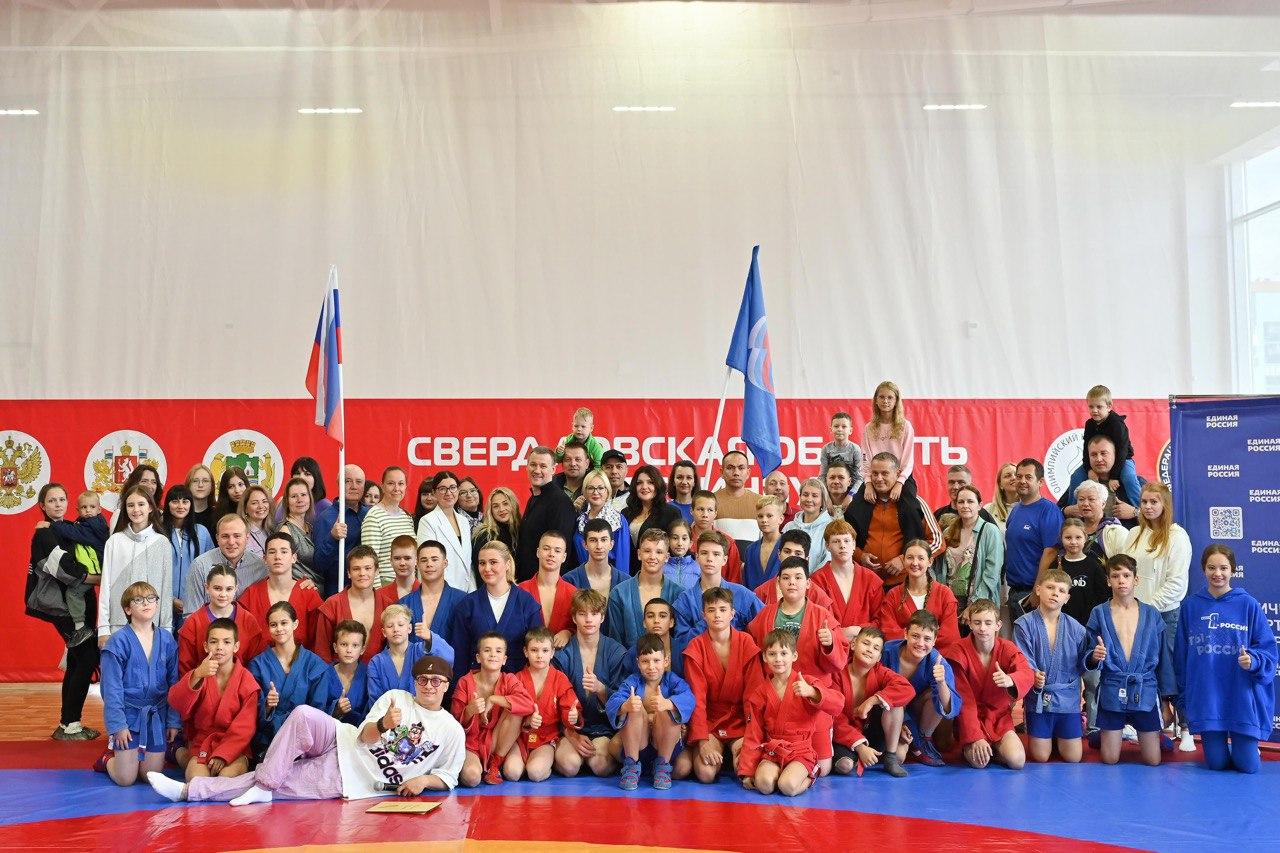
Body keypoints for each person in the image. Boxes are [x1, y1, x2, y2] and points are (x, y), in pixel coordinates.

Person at [149, 655, 465, 804]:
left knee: (271, 780)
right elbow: (364, 736)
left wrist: (424, 779)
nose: (428, 685)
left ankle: (190, 792)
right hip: (342, 738)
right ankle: (266, 783)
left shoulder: (451, 731)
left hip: (351, 777)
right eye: (422, 679)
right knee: (302, 714)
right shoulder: (397, 697)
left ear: (446, 685)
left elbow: (449, 776)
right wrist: (385, 724)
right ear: (415, 681)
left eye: (436, 681)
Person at [1101, 481, 1192, 742]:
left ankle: (1185, 727)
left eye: (1154, 502)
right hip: (1136, 615)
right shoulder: (1134, 534)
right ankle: (1143, 721)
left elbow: (1176, 584)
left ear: (1165, 505)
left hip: (1164, 615)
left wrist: (1149, 611)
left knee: (1172, 670)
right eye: (1144, 502)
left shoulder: (1177, 536)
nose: (1148, 507)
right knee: (1140, 669)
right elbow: (1126, 574)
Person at [1176, 545, 1277, 773]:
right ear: (1203, 569)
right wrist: (1183, 696)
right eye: (1211, 568)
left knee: (1248, 766)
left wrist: (1253, 661)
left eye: (1223, 568)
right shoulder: (1191, 606)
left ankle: (1247, 748)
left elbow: (1268, 649)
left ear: (1233, 570)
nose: (1217, 573)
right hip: (1208, 697)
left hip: (1241, 695)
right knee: (1217, 764)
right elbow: (1181, 656)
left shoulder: (1248, 604)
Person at [30, 484, 100, 741]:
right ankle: (70, 724)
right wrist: (101, 578)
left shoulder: (70, 527)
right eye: (51, 500)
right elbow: (65, 570)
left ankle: (67, 723)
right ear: (42, 505)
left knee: (77, 660)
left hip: (84, 603)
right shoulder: (44, 533)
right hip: (63, 608)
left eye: (61, 499)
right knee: (86, 658)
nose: (58, 504)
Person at [739, 630, 844, 797]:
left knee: (787, 786)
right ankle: (780, 773)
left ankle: (811, 775)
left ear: (794, 656)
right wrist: (747, 771)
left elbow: (838, 704)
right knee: (764, 785)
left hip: (801, 752)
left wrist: (812, 692)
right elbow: (754, 733)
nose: (778, 659)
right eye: (772, 654)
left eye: (783, 653)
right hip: (774, 752)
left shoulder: (806, 683)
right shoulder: (760, 692)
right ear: (765, 657)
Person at [1085, 554, 1165, 766]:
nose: (1121, 580)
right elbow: (1088, 653)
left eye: (1126, 575)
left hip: (1144, 687)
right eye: (1115, 576)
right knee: (1109, 759)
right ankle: (1102, 736)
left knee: (1153, 760)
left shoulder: (1152, 614)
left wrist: (1166, 698)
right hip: (1113, 685)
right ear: (1108, 580)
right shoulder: (1098, 613)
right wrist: (1094, 657)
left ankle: (1154, 737)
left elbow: (1163, 659)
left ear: (1136, 580)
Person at [675, 587, 762, 783]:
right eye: (711, 610)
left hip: (741, 721)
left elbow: (754, 695)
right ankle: (703, 750)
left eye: (723, 609)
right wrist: (702, 740)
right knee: (705, 774)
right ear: (703, 615)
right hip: (710, 722)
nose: (717, 615)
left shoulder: (746, 643)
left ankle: (734, 755)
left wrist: (753, 735)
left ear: (732, 613)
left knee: (747, 767)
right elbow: (697, 699)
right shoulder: (695, 647)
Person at [97, 581, 179, 785]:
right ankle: (107, 760)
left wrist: (173, 721)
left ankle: (137, 759)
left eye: (151, 598)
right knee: (125, 779)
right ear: (127, 609)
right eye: (138, 600)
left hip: (157, 714)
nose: (146, 603)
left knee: (150, 777)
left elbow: (174, 684)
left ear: (157, 604)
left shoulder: (167, 640)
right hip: (128, 714)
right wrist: (118, 725)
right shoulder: (117, 642)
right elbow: (111, 689)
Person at [1014, 570, 1091, 764]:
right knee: (1040, 757)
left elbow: (1084, 662)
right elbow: (1022, 658)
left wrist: (1094, 658)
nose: (1055, 593)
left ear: (1067, 598)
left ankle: (1066, 731)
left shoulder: (1077, 628)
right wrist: (1033, 674)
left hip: (1067, 699)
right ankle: (1051, 736)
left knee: (1073, 757)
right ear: (1038, 589)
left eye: (1061, 590)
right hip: (1039, 698)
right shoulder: (1023, 624)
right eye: (1050, 587)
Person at [168, 618, 259, 781]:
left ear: (236, 646)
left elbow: (245, 727)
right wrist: (197, 675)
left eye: (226, 642)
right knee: (197, 780)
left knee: (225, 779)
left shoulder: (247, 680)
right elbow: (175, 702)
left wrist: (224, 754)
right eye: (214, 641)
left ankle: (181, 757)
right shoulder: (200, 674)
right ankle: (179, 753)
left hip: (235, 749)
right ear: (205, 646)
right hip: (203, 743)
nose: (219, 647)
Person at [949, 599, 1035, 770]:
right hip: (971, 718)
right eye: (977, 622)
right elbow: (964, 699)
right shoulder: (958, 650)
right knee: (979, 763)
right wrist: (975, 736)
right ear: (970, 624)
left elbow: (1027, 673)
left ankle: (994, 748)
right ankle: (976, 746)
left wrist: (1011, 679)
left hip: (999, 717)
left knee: (1017, 761)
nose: (982, 628)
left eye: (988, 623)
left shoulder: (1007, 648)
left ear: (998, 625)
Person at [552, 589, 630, 778]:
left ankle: (589, 758)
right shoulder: (562, 654)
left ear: (602, 617)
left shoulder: (616, 651)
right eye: (582, 614)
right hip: (569, 728)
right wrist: (570, 734)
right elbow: (552, 702)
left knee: (601, 766)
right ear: (574, 618)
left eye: (594, 614)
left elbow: (623, 702)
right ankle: (576, 756)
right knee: (569, 766)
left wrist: (600, 688)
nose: (588, 619)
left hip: (603, 728)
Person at [607, 633, 696, 790]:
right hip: (639, 745)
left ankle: (662, 767)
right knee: (634, 705)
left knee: (667, 708)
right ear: (638, 663)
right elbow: (613, 701)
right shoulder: (632, 682)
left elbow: (689, 698)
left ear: (666, 661)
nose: (651, 666)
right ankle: (632, 766)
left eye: (656, 660)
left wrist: (668, 703)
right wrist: (626, 706)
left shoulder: (673, 681)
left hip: (663, 745)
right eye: (645, 661)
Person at [248, 601, 332, 757]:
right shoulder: (257, 664)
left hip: (305, 743)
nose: (279, 628)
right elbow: (250, 711)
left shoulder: (314, 664)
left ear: (295, 624)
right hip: (268, 743)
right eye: (273, 625)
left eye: (284, 623)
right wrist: (267, 705)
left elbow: (318, 711)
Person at [846, 453, 942, 589]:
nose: (879, 478)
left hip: (905, 583)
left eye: (884, 473)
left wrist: (905, 559)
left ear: (898, 474)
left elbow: (937, 542)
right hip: (867, 583)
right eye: (875, 473)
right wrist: (859, 556)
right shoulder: (858, 505)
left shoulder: (915, 504)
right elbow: (843, 540)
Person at [452, 633, 535, 785]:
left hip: (500, 740)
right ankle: (481, 765)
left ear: (504, 659)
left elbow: (528, 704)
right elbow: (454, 724)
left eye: (498, 651)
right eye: (487, 650)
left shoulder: (509, 679)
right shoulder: (464, 682)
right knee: (471, 778)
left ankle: (495, 763)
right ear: (478, 658)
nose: (493, 655)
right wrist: (469, 710)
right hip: (471, 743)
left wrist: (494, 699)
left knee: (514, 773)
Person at [880, 611, 961, 768]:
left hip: (920, 714)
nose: (920, 643)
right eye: (915, 636)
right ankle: (907, 741)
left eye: (927, 639)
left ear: (935, 640)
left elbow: (949, 708)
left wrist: (941, 683)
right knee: (899, 756)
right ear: (905, 633)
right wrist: (900, 723)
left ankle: (923, 740)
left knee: (936, 693)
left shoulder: (938, 662)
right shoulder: (886, 652)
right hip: (888, 711)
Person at [831, 628, 914, 778]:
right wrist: (861, 747)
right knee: (844, 766)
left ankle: (890, 757)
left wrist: (872, 700)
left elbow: (907, 689)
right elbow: (834, 717)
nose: (870, 650)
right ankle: (861, 755)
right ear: (853, 644)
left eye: (876, 648)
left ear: (879, 657)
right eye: (866, 643)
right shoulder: (837, 673)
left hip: (872, 731)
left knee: (900, 755)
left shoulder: (880, 672)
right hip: (845, 734)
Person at [450, 541, 544, 674]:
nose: (487, 568)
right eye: (482, 563)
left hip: (517, 682)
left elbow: (538, 649)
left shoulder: (527, 603)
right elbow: (460, 654)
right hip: (477, 683)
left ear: (507, 564)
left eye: (493, 562)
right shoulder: (467, 605)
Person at [98, 486, 173, 645]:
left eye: (141, 504)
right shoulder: (114, 541)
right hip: (118, 625)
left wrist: (166, 630)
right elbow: (105, 587)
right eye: (130, 505)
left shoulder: (162, 543)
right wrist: (103, 629)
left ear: (150, 507)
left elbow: (166, 590)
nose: (136, 509)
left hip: (152, 628)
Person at [510, 627, 580, 782]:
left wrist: (572, 717)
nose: (540, 655)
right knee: (511, 773)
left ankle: (550, 759)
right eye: (534, 650)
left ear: (552, 652)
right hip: (520, 737)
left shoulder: (560, 678)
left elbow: (570, 707)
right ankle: (533, 761)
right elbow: (508, 714)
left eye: (545, 650)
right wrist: (527, 721)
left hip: (547, 738)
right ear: (526, 652)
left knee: (535, 773)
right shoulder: (516, 679)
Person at [238, 532, 324, 650]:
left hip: (301, 660)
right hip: (259, 661)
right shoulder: (250, 595)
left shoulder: (308, 593)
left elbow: (320, 641)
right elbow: (241, 641)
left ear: (294, 558)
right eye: (272, 552)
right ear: (265, 558)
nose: (277, 556)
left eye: (284, 551)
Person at [46, 490, 110, 648]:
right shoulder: (86, 523)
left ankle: (80, 627)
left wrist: (51, 525)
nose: (88, 510)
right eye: (84, 507)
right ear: (78, 510)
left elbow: (73, 533)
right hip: (94, 569)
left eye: (92, 507)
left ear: (99, 509)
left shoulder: (94, 525)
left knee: (73, 593)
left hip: (97, 570)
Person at [1064, 385, 1143, 511]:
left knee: (1129, 479)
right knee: (1076, 477)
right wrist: (1089, 469)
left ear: (1109, 406)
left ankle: (1140, 510)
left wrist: (1114, 476)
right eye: (1091, 407)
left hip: (1123, 460)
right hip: (1101, 461)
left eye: (1099, 407)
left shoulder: (1117, 424)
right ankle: (1073, 511)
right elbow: (1086, 450)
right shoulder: (1089, 424)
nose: (1094, 410)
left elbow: (1122, 451)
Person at [674, 530, 762, 644]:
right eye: (704, 553)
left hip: (737, 654)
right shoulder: (685, 600)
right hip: (699, 655)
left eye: (716, 554)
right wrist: (707, 621)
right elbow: (680, 644)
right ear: (697, 557)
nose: (709, 558)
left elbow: (766, 623)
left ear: (724, 560)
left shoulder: (743, 595)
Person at [1005, 458, 1065, 622]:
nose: (1022, 481)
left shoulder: (1049, 510)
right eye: (1019, 476)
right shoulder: (1016, 510)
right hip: (1015, 591)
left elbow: (1051, 552)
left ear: (1040, 482)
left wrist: (1037, 591)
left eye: (1028, 477)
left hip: (1033, 593)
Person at [606, 530, 683, 653]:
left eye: (659, 552)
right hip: (627, 663)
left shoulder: (679, 594)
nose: (652, 557)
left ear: (667, 557)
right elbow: (615, 642)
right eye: (647, 551)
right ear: (639, 554)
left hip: (670, 663)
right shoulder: (619, 594)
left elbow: (681, 639)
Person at [177, 566, 265, 673]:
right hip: (203, 682)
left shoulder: (249, 621)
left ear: (236, 589)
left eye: (229, 589)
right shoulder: (192, 623)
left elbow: (256, 665)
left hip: (242, 682)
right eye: (217, 588)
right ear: (207, 588)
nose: (223, 594)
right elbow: (185, 669)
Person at [933, 485, 1003, 619]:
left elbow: (992, 573)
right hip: (950, 603)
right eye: (961, 502)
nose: (965, 505)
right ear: (956, 505)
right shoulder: (948, 532)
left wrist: (974, 605)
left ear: (979, 505)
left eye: (970, 501)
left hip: (980, 604)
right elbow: (939, 568)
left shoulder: (990, 531)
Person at [879, 540, 960, 652]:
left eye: (921, 558)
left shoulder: (945, 594)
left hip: (938, 658)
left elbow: (949, 635)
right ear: (903, 560)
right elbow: (888, 631)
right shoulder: (893, 595)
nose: (915, 563)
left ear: (930, 561)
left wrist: (917, 642)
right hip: (902, 656)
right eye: (910, 558)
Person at [809, 520, 884, 641]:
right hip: (830, 646)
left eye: (847, 541)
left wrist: (858, 630)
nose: (842, 545)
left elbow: (880, 620)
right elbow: (815, 620)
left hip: (865, 644)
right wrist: (840, 634)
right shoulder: (817, 581)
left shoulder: (872, 580)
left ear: (854, 544)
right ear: (827, 546)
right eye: (836, 541)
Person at [312, 546, 385, 665]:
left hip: (378, 674)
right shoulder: (332, 605)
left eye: (368, 568)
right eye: (356, 569)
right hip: (338, 674)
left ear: (377, 571)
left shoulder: (388, 605)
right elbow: (322, 654)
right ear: (349, 573)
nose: (362, 573)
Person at [517, 447, 577, 583]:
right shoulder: (534, 498)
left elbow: (561, 550)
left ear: (553, 469)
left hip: (546, 585)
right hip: (528, 583)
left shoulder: (560, 502)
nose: (537, 470)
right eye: (533, 465)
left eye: (543, 466)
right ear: (526, 467)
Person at [184, 514, 267, 612]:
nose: (231, 542)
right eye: (225, 536)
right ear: (217, 538)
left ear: (247, 538)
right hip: (208, 622)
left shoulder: (260, 568)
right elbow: (191, 613)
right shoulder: (200, 566)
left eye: (237, 536)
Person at [368, 604, 454, 697]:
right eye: (390, 626)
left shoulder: (421, 651)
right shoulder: (376, 662)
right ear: (384, 632)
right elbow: (375, 698)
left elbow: (448, 658)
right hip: (388, 706)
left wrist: (429, 637)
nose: (396, 629)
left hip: (421, 706)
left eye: (400, 625)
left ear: (409, 628)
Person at [162, 484, 213, 631]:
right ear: (167, 505)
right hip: (161, 605)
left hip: (194, 605)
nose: (180, 506)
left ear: (191, 504)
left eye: (185, 501)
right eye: (175, 501)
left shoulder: (202, 532)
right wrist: (170, 600)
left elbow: (210, 569)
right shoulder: (158, 532)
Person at [313, 464, 368, 599]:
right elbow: (318, 565)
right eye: (347, 481)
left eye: (358, 482)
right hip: (338, 592)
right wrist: (332, 538)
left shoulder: (370, 514)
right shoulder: (326, 518)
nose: (354, 486)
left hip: (367, 590)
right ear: (338, 485)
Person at [1060, 435, 1140, 527]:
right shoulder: (1081, 484)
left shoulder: (1134, 482)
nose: (1098, 459)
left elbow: (1154, 516)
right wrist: (1066, 510)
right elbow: (1056, 511)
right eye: (1093, 455)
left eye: (1103, 453)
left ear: (1116, 455)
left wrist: (1135, 512)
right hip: (1085, 536)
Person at [401, 540, 467, 649]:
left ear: (445, 563)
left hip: (451, 660)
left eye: (434, 559)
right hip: (413, 660)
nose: (429, 564)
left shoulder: (463, 600)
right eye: (424, 560)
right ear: (417, 564)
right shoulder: (404, 603)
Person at [416, 470, 475, 593]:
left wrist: (472, 592)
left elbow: (468, 563)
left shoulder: (464, 521)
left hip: (466, 592)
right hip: (440, 592)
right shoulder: (427, 521)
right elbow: (427, 562)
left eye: (453, 487)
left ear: (458, 490)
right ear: (434, 492)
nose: (449, 493)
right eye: (442, 489)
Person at [517, 530, 577, 646]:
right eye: (546, 549)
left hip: (562, 655)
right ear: (538, 552)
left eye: (557, 551)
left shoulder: (573, 593)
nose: (551, 554)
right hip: (526, 655)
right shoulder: (520, 590)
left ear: (564, 557)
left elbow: (581, 627)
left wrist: (569, 632)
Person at [861, 381, 916, 504]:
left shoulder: (905, 426)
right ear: (876, 400)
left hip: (900, 477)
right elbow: (865, 459)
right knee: (855, 509)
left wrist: (899, 482)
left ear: (896, 401)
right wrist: (868, 483)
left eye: (890, 397)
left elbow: (908, 460)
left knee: (911, 510)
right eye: (881, 397)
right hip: (875, 477)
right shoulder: (869, 428)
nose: (885, 401)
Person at [360, 467, 415, 588]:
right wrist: (378, 594)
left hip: (410, 586)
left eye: (401, 484)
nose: (396, 488)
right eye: (391, 483)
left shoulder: (406, 516)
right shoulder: (374, 517)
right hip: (387, 587)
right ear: (382, 487)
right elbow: (370, 561)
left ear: (406, 486)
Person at [622, 466, 682, 575]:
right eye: (639, 483)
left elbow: (675, 547)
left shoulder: (671, 512)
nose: (644, 487)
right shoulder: (625, 513)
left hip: (659, 573)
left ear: (658, 485)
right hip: (628, 572)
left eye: (650, 482)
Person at [572, 469, 630, 572]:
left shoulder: (618, 521)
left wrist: (619, 582)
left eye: (601, 488)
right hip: (582, 577)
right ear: (585, 492)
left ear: (607, 491)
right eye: (591, 488)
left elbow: (622, 561)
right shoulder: (580, 520)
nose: (596, 492)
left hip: (608, 578)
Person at [563, 519, 629, 602]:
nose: (599, 546)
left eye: (604, 540)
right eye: (593, 540)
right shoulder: (569, 580)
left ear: (611, 544)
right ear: (585, 544)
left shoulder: (626, 581)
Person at [689, 489, 745, 583]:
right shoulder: (682, 541)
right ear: (691, 511)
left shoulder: (728, 542)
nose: (705, 515)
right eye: (700, 509)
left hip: (721, 591)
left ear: (715, 513)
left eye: (710, 510)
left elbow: (734, 579)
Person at [323, 619, 371, 726]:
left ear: (362, 649)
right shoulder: (324, 674)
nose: (349, 650)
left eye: (355, 645)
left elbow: (372, 711)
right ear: (335, 647)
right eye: (344, 644)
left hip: (360, 732)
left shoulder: (369, 675)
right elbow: (316, 710)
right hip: (328, 731)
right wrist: (335, 710)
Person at [472, 486, 521, 588]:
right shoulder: (485, 536)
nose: (501, 509)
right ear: (491, 511)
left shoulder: (520, 531)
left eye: (505, 504)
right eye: (496, 506)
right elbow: (481, 572)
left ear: (513, 505)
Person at [783, 478, 833, 575]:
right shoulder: (789, 527)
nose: (809, 499)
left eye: (815, 496)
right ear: (800, 497)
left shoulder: (831, 528)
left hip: (818, 582)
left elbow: (829, 561)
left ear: (823, 501)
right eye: (805, 495)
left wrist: (808, 581)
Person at [277, 477, 319, 585]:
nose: (299, 500)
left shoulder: (311, 527)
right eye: (294, 496)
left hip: (317, 589)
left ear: (310, 498)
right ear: (287, 502)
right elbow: (281, 568)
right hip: (300, 589)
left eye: (303, 495)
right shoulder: (285, 531)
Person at [742, 495, 785, 590]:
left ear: (781, 519)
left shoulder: (788, 548)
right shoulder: (750, 550)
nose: (764, 520)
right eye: (760, 516)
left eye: (769, 516)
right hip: (753, 598)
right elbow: (746, 583)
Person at [932, 466, 996, 526]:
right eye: (951, 482)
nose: (955, 487)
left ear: (970, 486)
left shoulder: (983, 515)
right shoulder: (937, 515)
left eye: (961, 482)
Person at [712, 450, 762, 527]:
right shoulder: (711, 502)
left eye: (741, 468)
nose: (736, 473)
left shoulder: (760, 502)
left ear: (748, 473)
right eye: (730, 468)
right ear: (721, 472)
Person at [376, 535, 420, 611]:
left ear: (416, 560)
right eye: (397, 558)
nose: (402, 563)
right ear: (391, 560)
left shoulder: (426, 593)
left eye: (407, 558)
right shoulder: (380, 595)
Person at [820, 411, 864, 483]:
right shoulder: (826, 449)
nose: (840, 429)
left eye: (844, 427)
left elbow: (859, 477)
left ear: (850, 430)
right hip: (831, 486)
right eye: (836, 426)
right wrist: (823, 490)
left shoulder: (855, 449)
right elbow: (822, 475)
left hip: (851, 487)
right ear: (831, 430)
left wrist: (852, 490)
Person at [238, 485, 274, 558]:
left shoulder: (271, 530)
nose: (261, 506)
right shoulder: (242, 533)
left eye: (264, 501)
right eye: (254, 503)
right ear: (245, 508)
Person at [663, 518, 699, 589]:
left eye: (684, 539)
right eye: (675, 538)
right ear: (668, 541)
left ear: (690, 543)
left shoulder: (698, 567)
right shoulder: (661, 566)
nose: (680, 543)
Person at [982, 462, 1018, 531]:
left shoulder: (1031, 508)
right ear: (1000, 485)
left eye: (1017, 475)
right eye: (1008, 476)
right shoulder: (988, 510)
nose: (1013, 478)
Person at [185, 465, 217, 536]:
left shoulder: (219, 515)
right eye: (195, 481)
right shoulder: (179, 514)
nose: (200, 485)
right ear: (188, 485)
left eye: (205, 481)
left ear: (212, 486)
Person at [668, 460, 699, 524]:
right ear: (673, 481)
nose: (684, 482)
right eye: (679, 477)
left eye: (689, 477)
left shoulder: (702, 508)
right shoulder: (665, 509)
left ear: (694, 482)